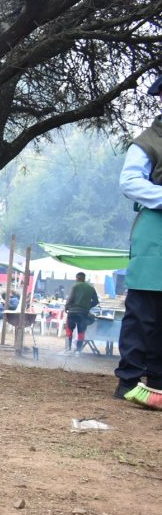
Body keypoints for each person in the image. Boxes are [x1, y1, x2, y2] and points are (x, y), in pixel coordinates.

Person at [114, 74, 162, 406]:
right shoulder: (148, 141)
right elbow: (130, 182)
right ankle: (129, 378)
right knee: (143, 311)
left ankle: (159, 382)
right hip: (154, 234)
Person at [61, 272, 99, 355]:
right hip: (84, 313)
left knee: (69, 330)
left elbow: (70, 298)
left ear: (77, 278)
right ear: (84, 278)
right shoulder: (91, 288)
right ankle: (78, 351)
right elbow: (96, 301)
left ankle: (68, 349)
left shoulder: (75, 286)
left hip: (73, 312)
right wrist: (88, 306)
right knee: (81, 332)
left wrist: (66, 306)